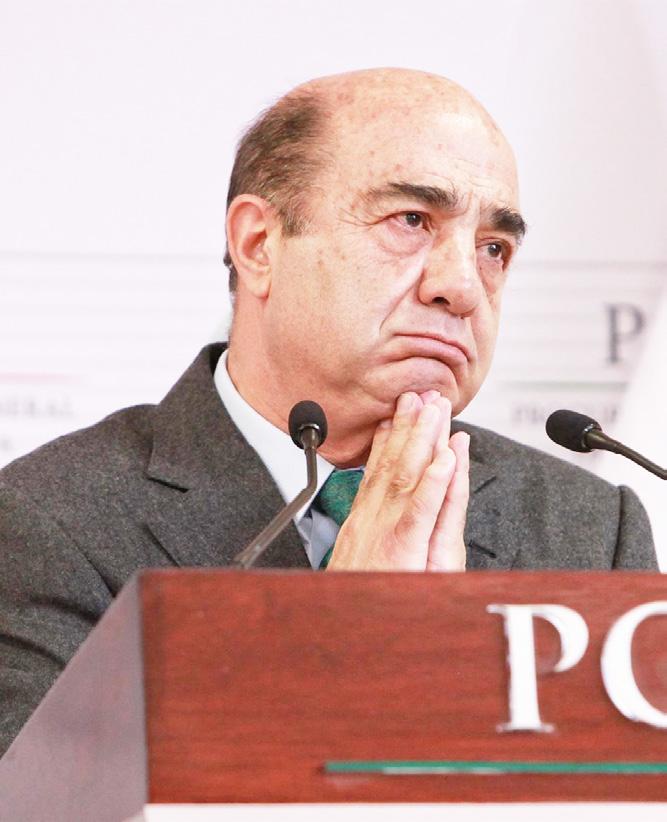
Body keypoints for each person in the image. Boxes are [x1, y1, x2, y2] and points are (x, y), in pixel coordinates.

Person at [0, 68, 656, 756]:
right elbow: (53, 795)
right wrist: (341, 645)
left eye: (493, 248)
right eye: (410, 220)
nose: (462, 286)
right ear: (258, 245)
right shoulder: (51, 524)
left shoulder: (589, 532)